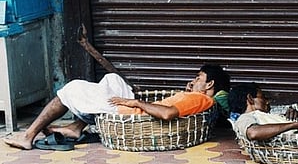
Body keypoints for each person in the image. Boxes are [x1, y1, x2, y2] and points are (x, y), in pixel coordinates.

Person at [4, 63, 230, 150]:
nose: (194, 80)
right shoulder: (196, 97)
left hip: (127, 112)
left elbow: (168, 113)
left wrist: (134, 102)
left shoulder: (200, 99)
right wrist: (189, 90)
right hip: (134, 108)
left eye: (198, 77)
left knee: (71, 89)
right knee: (113, 79)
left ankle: (29, 135)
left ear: (209, 84)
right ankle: (76, 126)